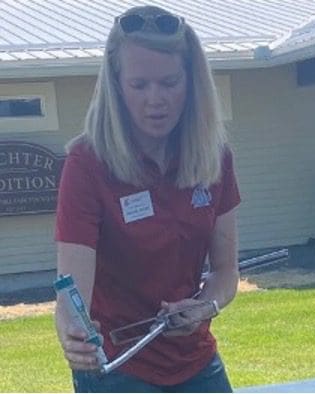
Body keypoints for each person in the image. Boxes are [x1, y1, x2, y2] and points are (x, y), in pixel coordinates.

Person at [54, 4, 241, 393]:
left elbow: (226, 273)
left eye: (169, 82)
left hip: (195, 358)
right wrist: (72, 329)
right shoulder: (86, 163)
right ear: (117, 86)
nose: (155, 99)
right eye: (139, 85)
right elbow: (72, 291)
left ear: (191, 82)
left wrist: (206, 306)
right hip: (119, 367)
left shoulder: (215, 157)